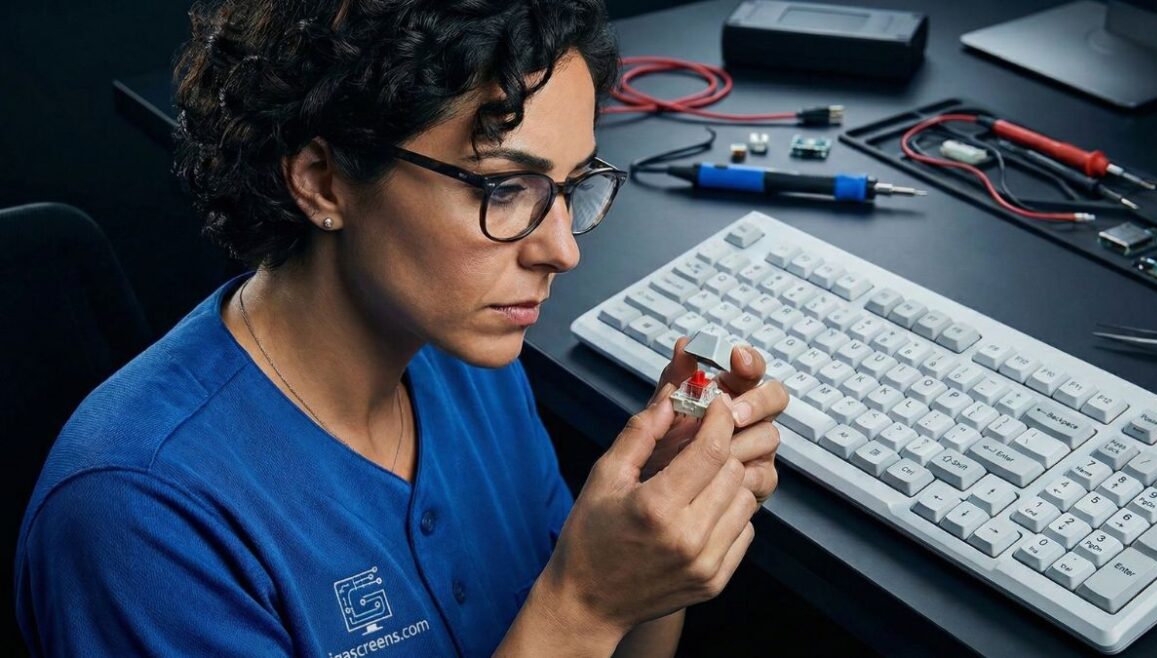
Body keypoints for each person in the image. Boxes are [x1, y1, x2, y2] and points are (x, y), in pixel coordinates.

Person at [14, 1, 788, 656]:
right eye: (503, 187)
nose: (563, 249)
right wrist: (581, 605)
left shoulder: (466, 362)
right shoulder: (136, 524)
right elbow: (578, 621)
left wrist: (654, 548)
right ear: (322, 181)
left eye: (572, 186)